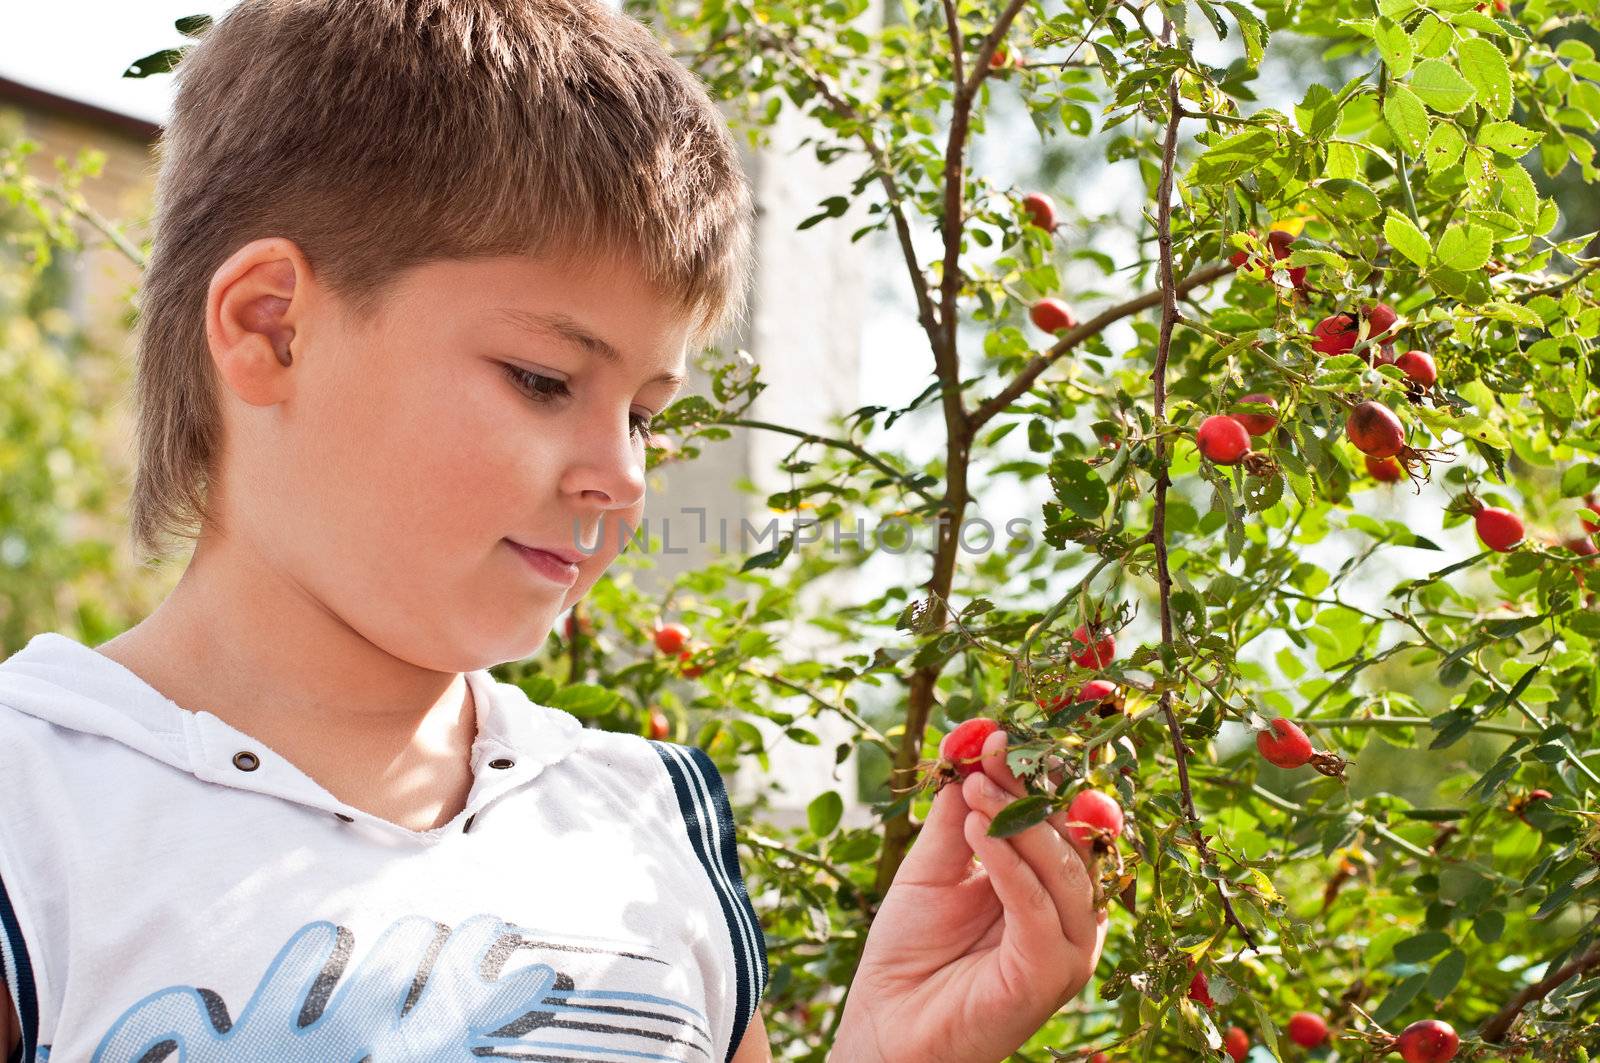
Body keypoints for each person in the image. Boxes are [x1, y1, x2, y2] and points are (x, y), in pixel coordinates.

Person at [0, 1, 1106, 1059]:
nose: (621, 476)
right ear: (273, 328)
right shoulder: (35, 812)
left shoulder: (649, 823)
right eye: (542, 379)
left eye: (644, 415)